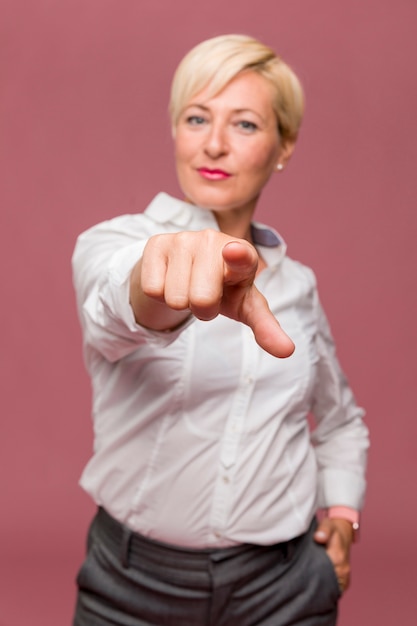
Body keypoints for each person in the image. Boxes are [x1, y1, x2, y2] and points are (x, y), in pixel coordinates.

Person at [71, 34, 369, 626]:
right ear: (175, 130)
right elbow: (117, 305)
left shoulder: (298, 286)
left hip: (284, 588)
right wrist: (159, 285)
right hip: (133, 584)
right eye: (197, 117)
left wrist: (342, 515)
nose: (213, 143)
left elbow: (338, 420)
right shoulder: (114, 246)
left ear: (283, 146)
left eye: (245, 125)